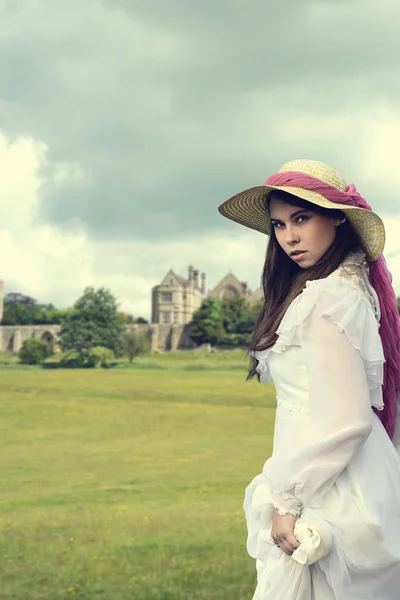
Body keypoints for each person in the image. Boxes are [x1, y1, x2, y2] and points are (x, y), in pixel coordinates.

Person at [218, 159, 400, 599]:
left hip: (328, 487)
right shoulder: (346, 287)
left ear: (337, 217)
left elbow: (349, 421)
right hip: (345, 472)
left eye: (302, 218)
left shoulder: (327, 298)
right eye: (279, 224)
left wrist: (287, 502)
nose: (289, 236)